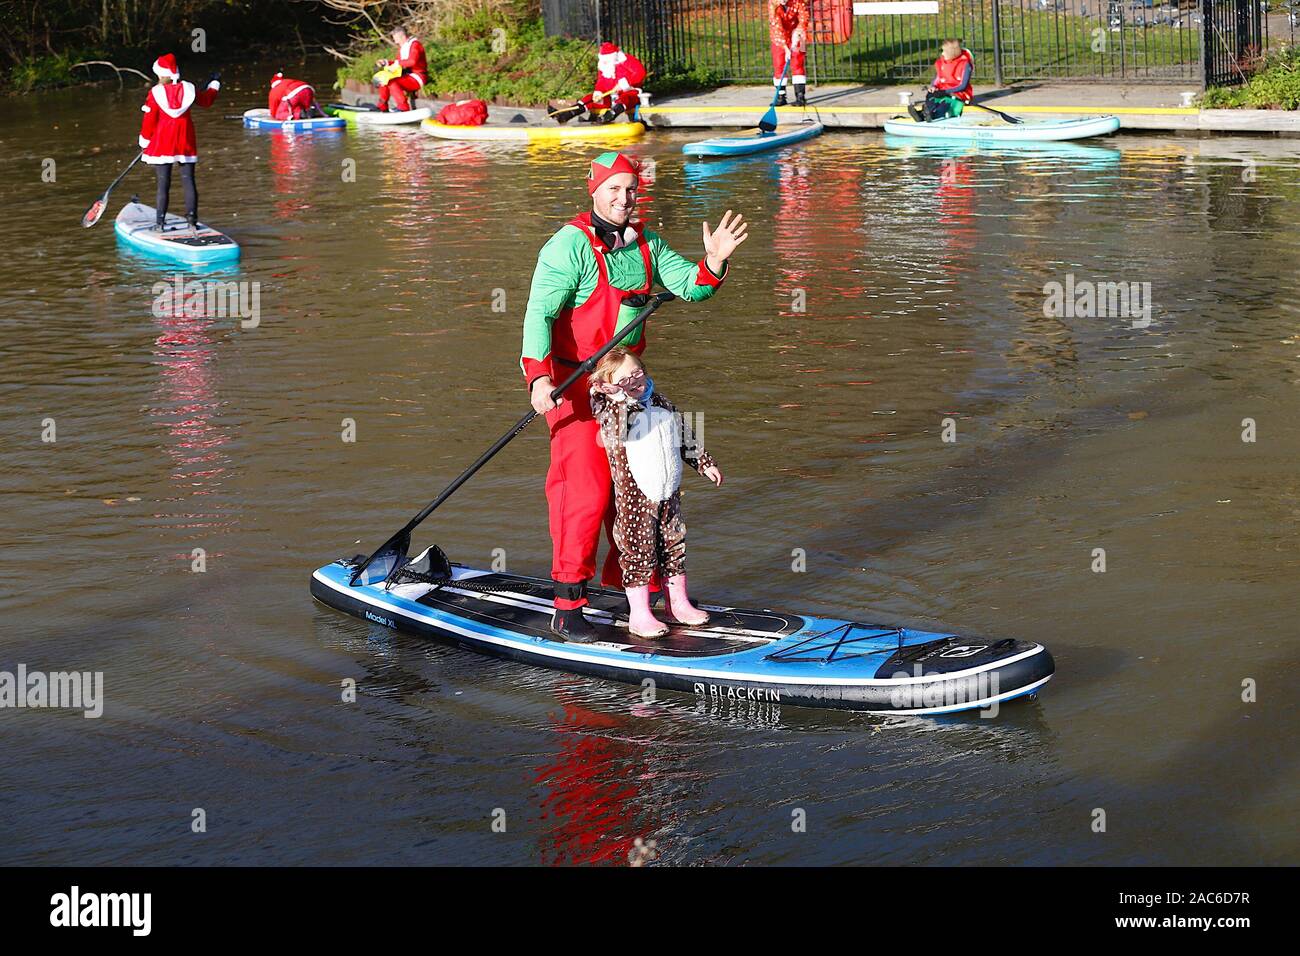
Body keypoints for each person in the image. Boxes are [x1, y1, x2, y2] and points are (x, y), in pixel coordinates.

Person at [521, 151, 748, 642]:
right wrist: (539, 379)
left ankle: (636, 592)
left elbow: (693, 287)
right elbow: (538, 315)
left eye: (630, 189)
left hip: (626, 389)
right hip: (574, 390)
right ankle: (568, 606)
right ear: (594, 190)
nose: (624, 198)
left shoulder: (648, 244)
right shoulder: (567, 247)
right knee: (585, 493)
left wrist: (713, 261)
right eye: (614, 189)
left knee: (642, 491)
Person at [589, 348, 722, 638]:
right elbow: (615, 431)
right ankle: (639, 614)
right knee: (639, 551)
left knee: (674, 544)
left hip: (669, 491)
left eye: (638, 373)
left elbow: (684, 433)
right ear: (608, 385)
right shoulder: (612, 410)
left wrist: (703, 462)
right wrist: (617, 396)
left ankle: (678, 605)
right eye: (624, 379)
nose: (635, 381)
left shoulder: (660, 401)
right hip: (637, 498)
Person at [138, 53, 220, 232]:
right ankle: (192, 221)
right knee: (188, 180)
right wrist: (214, 84)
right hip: (185, 138)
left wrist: (144, 141)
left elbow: (149, 120)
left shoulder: (155, 92)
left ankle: (160, 224)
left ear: (161, 74)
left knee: (163, 183)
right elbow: (207, 100)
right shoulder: (189, 88)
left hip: (163, 141)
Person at [550, 43, 646, 125]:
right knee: (590, 98)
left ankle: (610, 115)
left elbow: (640, 73)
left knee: (626, 98)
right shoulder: (603, 66)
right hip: (609, 95)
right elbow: (601, 81)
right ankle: (568, 114)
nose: (604, 63)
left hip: (628, 91)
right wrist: (598, 92)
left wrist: (623, 84)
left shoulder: (626, 60)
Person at [908, 39, 974, 123]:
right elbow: (937, 78)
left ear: (952, 53)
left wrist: (946, 92)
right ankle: (923, 113)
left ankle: (934, 114)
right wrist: (933, 87)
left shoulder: (965, 64)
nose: (942, 54)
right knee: (932, 96)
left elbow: (963, 85)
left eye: (944, 51)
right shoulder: (942, 63)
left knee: (946, 102)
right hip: (943, 90)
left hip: (958, 93)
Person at [375, 26, 427, 112]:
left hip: (418, 77)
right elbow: (398, 62)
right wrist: (386, 62)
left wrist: (397, 64)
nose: (395, 42)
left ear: (403, 37)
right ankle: (382, 106)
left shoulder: (415, 45)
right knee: (383, 79)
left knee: (391, 81)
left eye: (396, 39)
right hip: (407, 76)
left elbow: (412, 61)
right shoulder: (403, 47)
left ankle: (403, 107)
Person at [769, 0, 810, 107]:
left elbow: (804, 17)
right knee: (779, 64)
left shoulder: (798, 2)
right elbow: (776, 26)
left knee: (798, 63)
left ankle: (800, 96)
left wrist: (798, 32)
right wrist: (786, 48)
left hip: (798, 35)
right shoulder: (773, 4)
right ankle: (780, 96)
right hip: (779, 38)